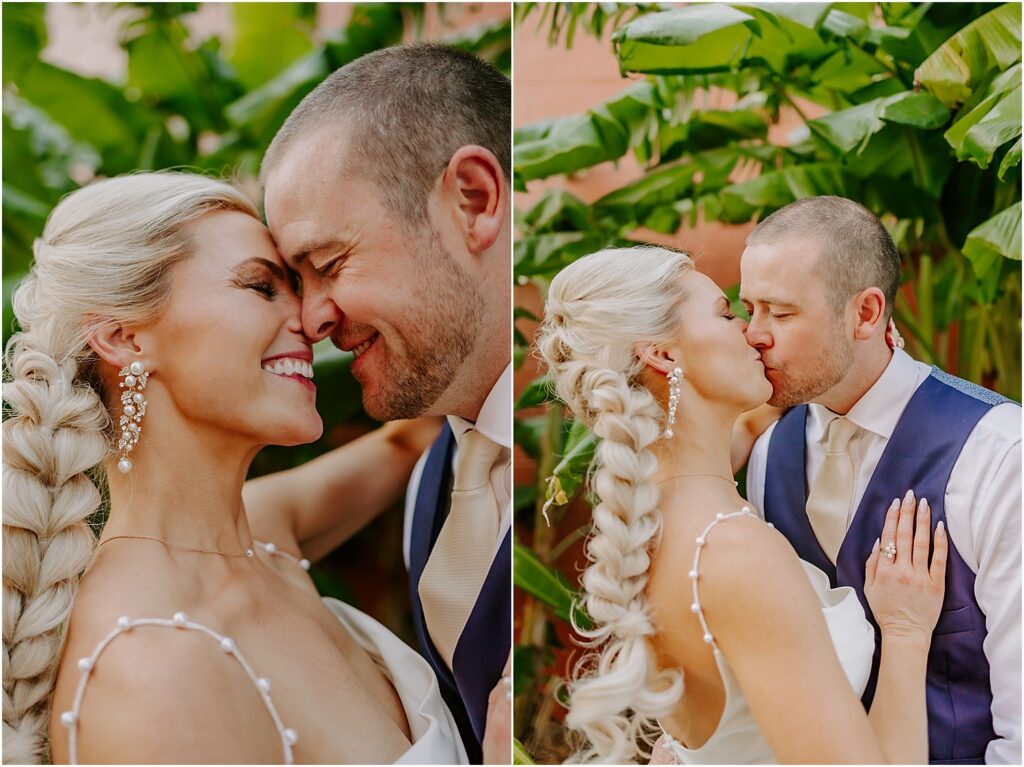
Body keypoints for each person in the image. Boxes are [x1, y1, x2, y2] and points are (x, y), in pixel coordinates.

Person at [2, 171, 473, 764]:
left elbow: (407, 443)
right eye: (260, 287)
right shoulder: (158, 665)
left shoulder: (260, 534)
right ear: (124, 338)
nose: (307, 320)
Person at [536, 245, 949, 764]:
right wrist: (907, 635)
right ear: (663, 354)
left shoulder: (647, 528)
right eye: (727, 313)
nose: (751, 332)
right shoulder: (735, 553)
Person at [259, 43, 512, 764]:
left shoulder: (612, 438)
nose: (311, 321)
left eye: (328, 264)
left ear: (473, 199)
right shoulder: (430, 489)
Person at [741, 196, 1022, 764]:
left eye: (782, 313)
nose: (754, 335)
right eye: (748, 309)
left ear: (866, 314)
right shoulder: (770, 454)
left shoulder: (1000, 454)